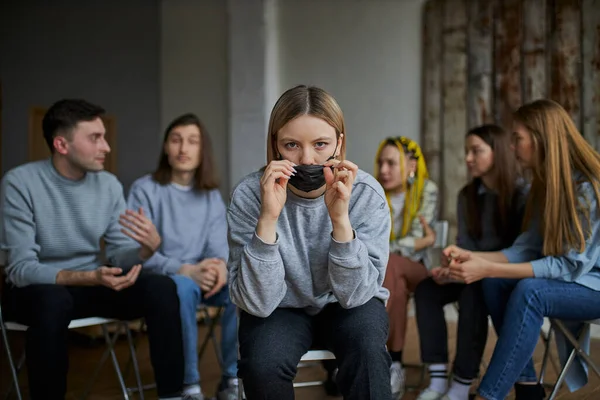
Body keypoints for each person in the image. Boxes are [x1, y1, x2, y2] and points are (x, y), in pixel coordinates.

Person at [0, 99, 184, 400]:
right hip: (36, 290)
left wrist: (146, 251)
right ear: (62, 144)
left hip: (91, 283)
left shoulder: (109, 185)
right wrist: (89, 277)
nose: (106, 147)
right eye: (95, 138)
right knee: (53, 301)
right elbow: (21, 269)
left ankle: (173, 395)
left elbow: (118, 255)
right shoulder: (19, 183)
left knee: (162, 287)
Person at [227, 84, 392, 400]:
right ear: (275, 145)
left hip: (346, 305)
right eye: (291, 145)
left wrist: (341, 221)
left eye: (320, 144)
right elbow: (256, 303)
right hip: (278, 308)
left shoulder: (366, 195)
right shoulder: (249, 195)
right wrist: (267, 219)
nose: (306, 158)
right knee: (262, 362)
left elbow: (357, 295)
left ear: (339, 143)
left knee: (368, 347)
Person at [444, 99, 600, 400]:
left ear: (540, 139)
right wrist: (473, 258)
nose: (512, 147)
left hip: (593, 284)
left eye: (517, 139)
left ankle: (489, 395)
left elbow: (569, 266)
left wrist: (488, 266)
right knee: (493, 282)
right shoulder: (547, 186)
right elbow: (527, 248)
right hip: (575, 281)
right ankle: (528, 387)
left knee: (531, 292)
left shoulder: (587, 187)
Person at [127, 113, 238, 400]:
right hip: (166, 281)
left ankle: (232, 379)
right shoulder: (145, 189)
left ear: (203, 150)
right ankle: (188, 384)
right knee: (183, 287)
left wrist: (220, 268)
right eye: (176, 140)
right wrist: (185, 270)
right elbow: (137, 252)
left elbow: (218, 246)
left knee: (241, 286)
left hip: (204, 278)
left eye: (192, 142)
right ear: (165, 147)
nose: (183, 149)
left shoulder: (210, 195)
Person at [414, 124, 526, 400]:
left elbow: (524, 250)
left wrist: (469, 267)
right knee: (426, 288)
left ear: (498, 152)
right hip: (471, 271)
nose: (467, 159)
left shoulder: (522, 194)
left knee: (473, 289)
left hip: (506, 275)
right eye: (466, 152)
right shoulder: (467, 196)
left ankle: (462, 384)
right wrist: (450, 267)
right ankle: (438, 378)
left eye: (476, 151)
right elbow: (465, 245)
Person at [374, 136, 439, 398]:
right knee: (395, 286)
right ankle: (394, 363)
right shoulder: (373, 191)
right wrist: (420, 240)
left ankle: (375, 351)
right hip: (388, 271)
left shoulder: (426, 190)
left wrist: (416, 242)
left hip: (420, 269)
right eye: (381, 162)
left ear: (411, 165)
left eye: (391, 163)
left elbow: (414, 244)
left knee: (390, 265)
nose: (383, 170)